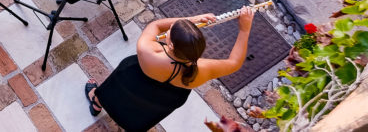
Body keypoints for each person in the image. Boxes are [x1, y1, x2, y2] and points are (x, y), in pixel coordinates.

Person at [86, 7, 257, 131]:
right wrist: (244, 29)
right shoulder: (202, 69)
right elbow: (234, 62)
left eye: (170, 34)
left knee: (113, 91)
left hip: (131, 80)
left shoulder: (149, 50)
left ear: (171, 44)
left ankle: (96, 102)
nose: (167, 33)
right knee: (143, 112)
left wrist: (193, 19)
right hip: (163, 99)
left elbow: (156, 26)